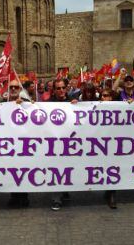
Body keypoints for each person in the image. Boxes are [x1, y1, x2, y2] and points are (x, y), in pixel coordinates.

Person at [6, 79, 30, 208]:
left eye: (16, 87)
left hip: (24, 143)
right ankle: (14, 196)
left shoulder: (27, 103)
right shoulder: (2, 103)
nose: (14, 89)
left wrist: (23, 105)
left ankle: (24, 196)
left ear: (20, 89)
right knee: (12, 171)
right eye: (11, 87)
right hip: (8, 144)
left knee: (23, 169)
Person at [50, 79, 72, 211]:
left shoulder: (74, 102)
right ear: (54, 90)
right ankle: (56, 199)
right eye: (58, 88)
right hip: (54, 144)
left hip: (70, 143)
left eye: (63, 87)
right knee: (56, 170)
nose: (61, 90)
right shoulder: (47, 104)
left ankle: (65, 190)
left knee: (67, 168)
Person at [100, 88, 118, 209]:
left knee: (112, 168)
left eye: (106, 95)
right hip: (99, 144)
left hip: (113, 144)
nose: (103, 98)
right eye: (102, 95)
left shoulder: (118, 107)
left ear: (111, 97)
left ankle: (111, 194)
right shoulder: (95, 106)